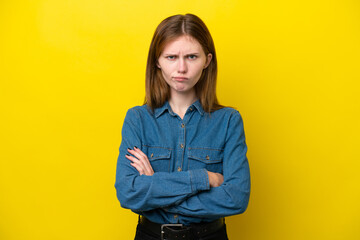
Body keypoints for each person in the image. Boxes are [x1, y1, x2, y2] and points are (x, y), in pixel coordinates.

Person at [115, 13, 250, 240]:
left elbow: (236, 198)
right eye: (171, 57)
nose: (181, 68)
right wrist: (204, 178)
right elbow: (128, 193)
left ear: (207, 60)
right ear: (157, 60)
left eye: (191, 56)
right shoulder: (137, 119)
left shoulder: (228, 121)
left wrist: (154, 187)